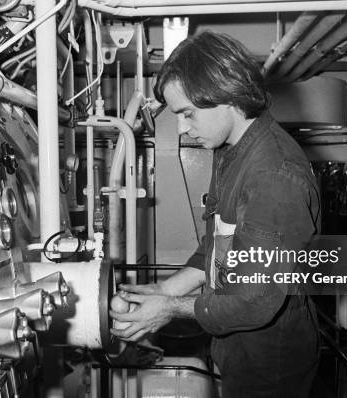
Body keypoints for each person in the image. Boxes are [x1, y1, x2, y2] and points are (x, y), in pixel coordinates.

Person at [110, 31, 320, 397]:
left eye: (187, 113)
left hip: (271, 365)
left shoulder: (273, 174)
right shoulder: (229, 150)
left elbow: (255, 300)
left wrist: (169, 308)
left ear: (226, 94)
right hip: (235, 349)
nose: (183, 127)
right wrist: (164, 290)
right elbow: (217, 244)